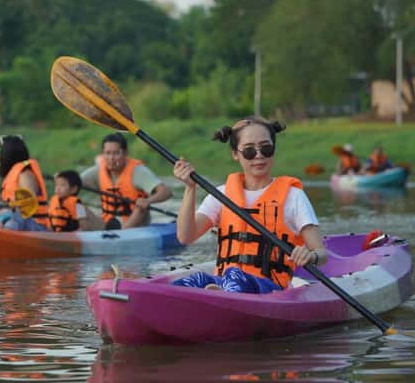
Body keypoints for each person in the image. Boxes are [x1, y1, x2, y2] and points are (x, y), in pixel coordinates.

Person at [171, 117, 328, 294]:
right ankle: (215, 296)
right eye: (249, 150)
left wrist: (311, 255)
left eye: (266, 148)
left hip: (270, 287)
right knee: (195, 280)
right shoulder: (221, 195)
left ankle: (219, 297)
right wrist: (190, 188)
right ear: (235, 154)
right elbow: (185, 236)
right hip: (225, 280)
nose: (259, 155)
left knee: (234, 275)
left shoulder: (294, 196)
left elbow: (322, 254)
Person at [81, 132, 172, 230]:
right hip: (106, 225)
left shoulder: (138, 171)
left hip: (135, 226)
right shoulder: (98, 171)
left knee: (140, 208)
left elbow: (166, 192)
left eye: (116, 153)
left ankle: (122, 233)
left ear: (125, 153)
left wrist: (147, 200)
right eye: (107, 153)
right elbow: (73, 182)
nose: (111, 158)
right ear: (102, 154)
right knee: (75, 203)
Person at [0, 135, 51, 231]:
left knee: (12, 219)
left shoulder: (25, 174)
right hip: (14, 224)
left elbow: (28, 206)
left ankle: (2, 233)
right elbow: (5, 211)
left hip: (36, 227)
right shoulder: (13, 177)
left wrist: (1, 204)